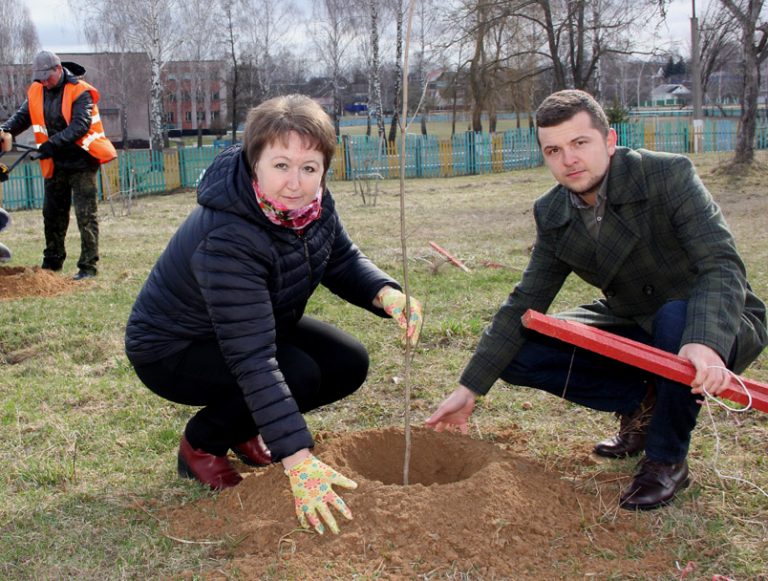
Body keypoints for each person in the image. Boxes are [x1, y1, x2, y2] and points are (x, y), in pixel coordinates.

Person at [426, 90, 767, 511]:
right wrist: (470, 387)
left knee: (676, 319)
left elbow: (721, 264)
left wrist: (705, 341)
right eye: (554, 150)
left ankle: (666, 460)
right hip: (632, 320)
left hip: (712, 317)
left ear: (609, 140)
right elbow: (524, 302)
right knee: (522, 344)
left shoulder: (667, 175)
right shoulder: (553, 212)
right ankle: (643, 403)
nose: (568, 159)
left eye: (579, 143)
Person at [125, 94, 423, 535]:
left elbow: (339, 258)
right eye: (281, 165)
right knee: (298, 374)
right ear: (254, 162)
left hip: (252, 324)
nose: (295, 183)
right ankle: (202, 444)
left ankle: (244, 429)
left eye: (309, 168)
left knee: (347, 363)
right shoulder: (228, 235)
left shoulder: (313, 206)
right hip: (174, 348)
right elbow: (253, 358)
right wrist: (298, 461)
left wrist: (385, 292)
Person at [0, 50, 117, 280]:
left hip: (82, 160)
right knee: (52, 214)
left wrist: (51, 144)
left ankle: (87, 268)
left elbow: (80, 126)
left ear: (58, 69)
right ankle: (52, 264)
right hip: (55, 163)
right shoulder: (37, 89)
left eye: (47, 76)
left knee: (86, 215)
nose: (44, 81)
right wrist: (4, 131)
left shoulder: (80, 91)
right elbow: (22, 117)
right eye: (39, 78)